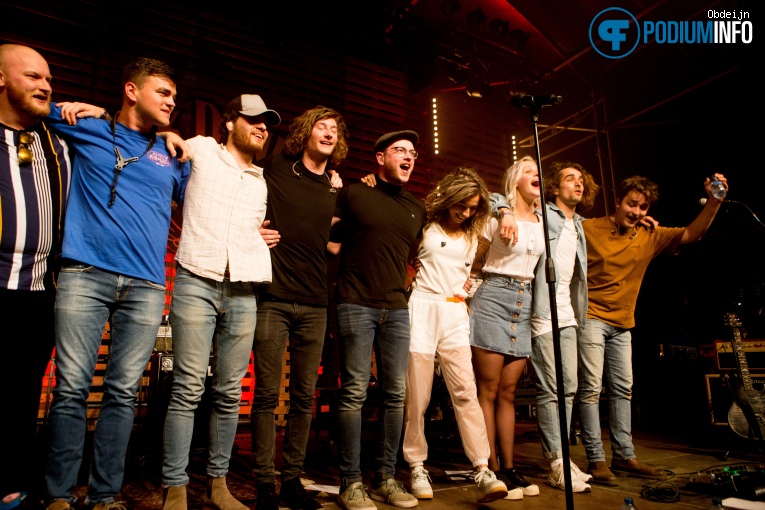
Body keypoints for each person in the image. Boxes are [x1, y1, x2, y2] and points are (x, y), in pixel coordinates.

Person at [42, 57, 189, 510]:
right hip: (84, 273)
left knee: (122, 393)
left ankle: (105, 495)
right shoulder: (90, 127)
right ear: (131, 90)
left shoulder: (174, 156)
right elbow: (33, 105)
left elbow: (205, 207)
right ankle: (59, 495)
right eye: (163, 93)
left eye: (174, 98)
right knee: (71, 387)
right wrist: (89, 109)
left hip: (145, 285)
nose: (171, 103)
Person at [155, 94, 279, 510]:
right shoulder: (205, 149)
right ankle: (174, 486)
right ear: (230, 123)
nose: (262, 127)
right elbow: (170, 143)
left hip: (244, 289)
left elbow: (247, 228)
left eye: (267, 123)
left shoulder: (261, 179)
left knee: (229, 393)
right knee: (188, 388)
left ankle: (219, 484)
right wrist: (169, 133)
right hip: (196, 279)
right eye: (254, 120)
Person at [578, 174, 727, 484]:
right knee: (591, 389)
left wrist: (715, 201)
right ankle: (596, 459)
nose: (636, 211)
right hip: (590, 317)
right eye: (631, 204)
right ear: (618, 201)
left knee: (623, 390)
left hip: (623, 324)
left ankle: (624, 456)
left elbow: (693, 234)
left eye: (642, 206)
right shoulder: (589, 228)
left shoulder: (650, 234)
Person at [249, 106, 348, 510]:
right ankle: (263, 483)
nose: (328, 133)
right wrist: (250, 229)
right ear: (306, 133)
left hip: (315, 303)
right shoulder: (275, 167)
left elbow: (335, 243)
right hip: (272, 298)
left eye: (334, 129)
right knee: (267, 396)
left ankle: (291, 479)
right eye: (321, 127)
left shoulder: (336, 187)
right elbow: (241, 189)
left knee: (304, 397)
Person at [401, 167, 510, 503]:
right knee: (417, 395)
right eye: (460, 205)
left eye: (472, 207)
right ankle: (416, 465)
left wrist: (502, 210)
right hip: (421, 306)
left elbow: (503, 203)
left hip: (454, 312)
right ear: (448, 199)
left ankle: (482, 468)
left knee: (466, 390)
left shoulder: (476, 232)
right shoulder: (423, 223)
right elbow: (404, 261)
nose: (465, 212)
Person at [493, 161, 599, 493]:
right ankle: (556, 462)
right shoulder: (545, 214)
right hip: (540, 312)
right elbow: (497, 196)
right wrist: (505, 211)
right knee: (550, 389)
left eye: (581, 179)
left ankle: (564, 458)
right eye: (571, 179)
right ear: (555, 188)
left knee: (569, 387)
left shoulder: (578, 224)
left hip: (567, 314)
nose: (578, 184)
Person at [332, 130, 425, 510]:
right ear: (380, 157)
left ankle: (386, 477)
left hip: (397, 308)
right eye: (400, 151)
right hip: (355, 302)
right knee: (354, 391)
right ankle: (350, 482)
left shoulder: (416, 208)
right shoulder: (355, 193)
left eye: (413, 153)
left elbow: (417, 257)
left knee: (395, 395)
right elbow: (330, 240)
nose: (408, 157)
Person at [0, 43, 72, 510]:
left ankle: (10, 485)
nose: (44, 85)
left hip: (38, 292)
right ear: (2, 79)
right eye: (32, 77)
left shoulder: (56, 142)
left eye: (47, 78)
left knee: (21, 394)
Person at [469, 155, 542, 500]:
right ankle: (491, 469)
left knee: (509, 392)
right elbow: (476, 255)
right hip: (493, 294)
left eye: (537, 171)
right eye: (529, 171)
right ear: (515, 180)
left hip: (525, 301)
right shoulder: (496, 214)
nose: (536, 175)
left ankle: (510, 469)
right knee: (489, 388)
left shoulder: (544, 221)